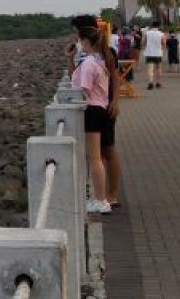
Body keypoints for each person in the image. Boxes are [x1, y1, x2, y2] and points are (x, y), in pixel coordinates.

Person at [69, 19, 114, 215]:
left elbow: (84, 90)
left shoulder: (88, 63)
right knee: (97, 157)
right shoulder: (100, 60)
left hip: (92, 111)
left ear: (84, 41)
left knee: (94, 158)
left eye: (79, 40)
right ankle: (99, 197)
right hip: (101, 110)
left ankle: (100, 200)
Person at [142, 20, 165, 89]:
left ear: (152, 26)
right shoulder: (161, 34)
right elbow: (164, 43)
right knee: (158, 68)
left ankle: (150, 82)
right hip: (158, 53)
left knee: (150, 68)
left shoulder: (147, 33)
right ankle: (158, 83)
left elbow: (143, 43)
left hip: (149, 53)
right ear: (158, 26)